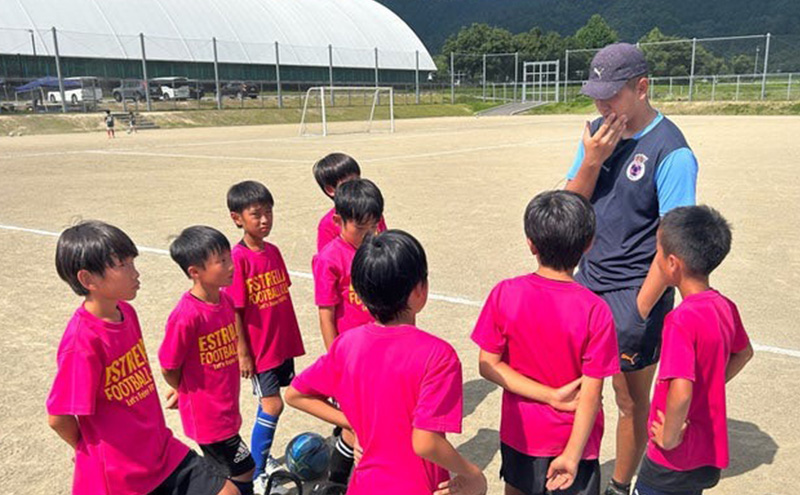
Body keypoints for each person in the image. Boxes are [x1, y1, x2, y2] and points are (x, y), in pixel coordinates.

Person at [564, 42, 699, 495]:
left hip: (633, 293)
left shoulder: (672, 152)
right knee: (577, 391)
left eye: (611, 94)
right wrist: (593, 158)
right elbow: (568, 207)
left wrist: (637, 312)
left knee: (628, 400)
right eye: (596, 94)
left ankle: (621, 486)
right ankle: (578, 473)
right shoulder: (596, 135)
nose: (601, 105)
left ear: (641, 88)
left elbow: (673, 246)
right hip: (586, 284)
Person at [287, 230, 487, 495]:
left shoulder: (346, 345)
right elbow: (425, 441)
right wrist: (472, 473)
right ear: (419, 290)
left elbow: (295, 394)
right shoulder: (438, 356)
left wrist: (355, 424)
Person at [46, 220, 238, 495]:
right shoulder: (83, 341)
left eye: (132, 262)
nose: (135, 273)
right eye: (123, 265)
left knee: (227, 491)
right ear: (88, 279)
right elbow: (58, 417)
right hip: (120, 474)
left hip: (160, 450)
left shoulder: (126, 312)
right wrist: (87, 449)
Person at [472, 191, 619, 495]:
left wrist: (549, 396)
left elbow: (488, 364)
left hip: (522, 434)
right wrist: (572, 455)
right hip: (573, 441)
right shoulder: (595, 310)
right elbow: (591, 394)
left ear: (531, 244)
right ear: (589, 244)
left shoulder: (505, 293)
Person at [634, 206, 753, 495]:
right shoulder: (724, 307)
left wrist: (669, 436)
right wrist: (711, 385)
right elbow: (744, 352)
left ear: (672, 264)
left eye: (658, 253)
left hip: (672, 458)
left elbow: (682, 390)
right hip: (707, 453)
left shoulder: (680, 320)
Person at [159, 226, 255, 495]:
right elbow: (169, 364)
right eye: (220, 261)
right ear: (195, 272)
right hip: (208, 416)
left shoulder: (224, 301)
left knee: (226, 474)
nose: (230, 265)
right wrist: (182, 388)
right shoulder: (187, 315)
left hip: (226, 408)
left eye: (228, 257)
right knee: (244, 469)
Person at [226, 181, 306, 494]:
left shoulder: (273, 251)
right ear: (237, 218)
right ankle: (256, 473)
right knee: (272, 404)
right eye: (256, 214)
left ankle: (262, 456)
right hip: (259, 350)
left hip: (280, 342)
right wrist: (242, 352)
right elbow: (235, 310)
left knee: (269, 404)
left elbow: (280, 295)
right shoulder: (237, 258)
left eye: (269, 212)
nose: (264, 220)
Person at [311, 178, 384, 484]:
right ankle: (336, 482)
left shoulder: (377, 250)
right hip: (351, 358)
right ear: (339, 220)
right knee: (353, 426)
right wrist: (335, 360)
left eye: (373, 227)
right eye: (361, 228)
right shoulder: (330, 258)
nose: (368, 234)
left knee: (375, 420)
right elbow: (326, 315)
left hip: (381, 350)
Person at [312, 152, 387, 253]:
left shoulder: (371, 210)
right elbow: (326, 257)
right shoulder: (327, 225)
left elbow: (385, 241)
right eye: (349, 182)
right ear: (330, 189)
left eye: (357, 179)